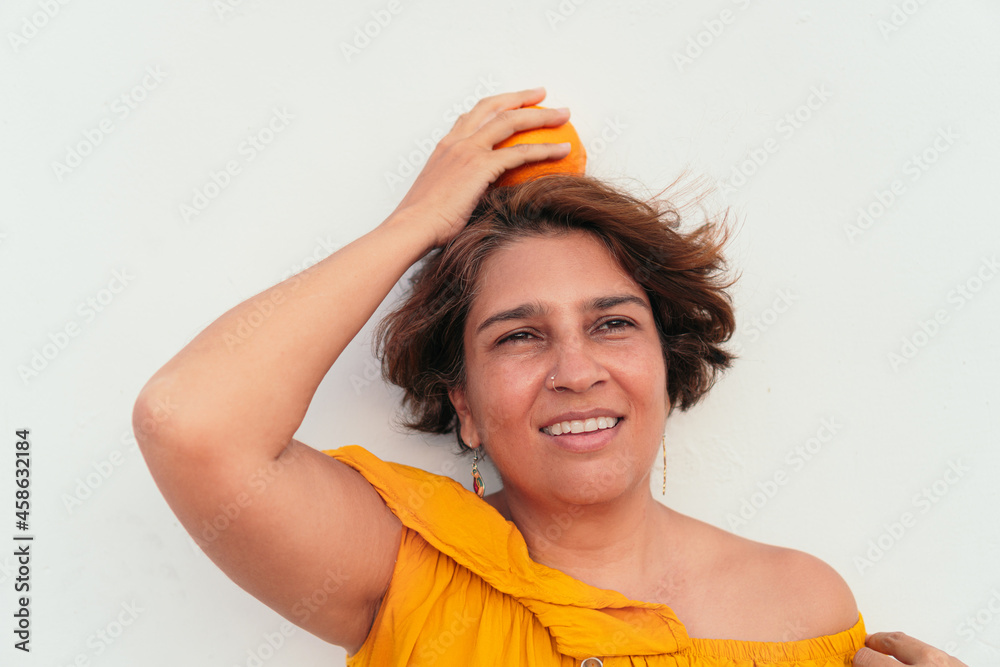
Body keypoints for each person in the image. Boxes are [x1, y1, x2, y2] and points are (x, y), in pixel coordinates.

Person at [133, 88, 967, 666]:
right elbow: (188, 420)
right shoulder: (403, 569)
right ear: (463, 402)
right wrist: (416, 221)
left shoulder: (801, 604)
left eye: (612, 323)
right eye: (520, 336)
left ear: (665, 365)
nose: (575, 370)